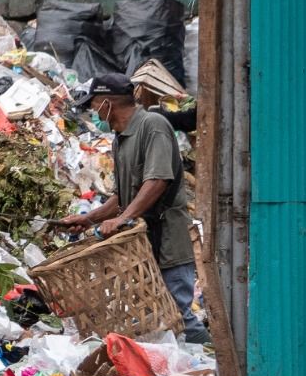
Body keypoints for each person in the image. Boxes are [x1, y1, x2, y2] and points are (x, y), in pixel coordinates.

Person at [62, 72, 209, 344]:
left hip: (168, 241)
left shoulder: (152, 126)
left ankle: (217, 365)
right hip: (144, 246)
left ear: (107, 103)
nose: (93, 112)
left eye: (94, 105)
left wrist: (122, 220)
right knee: (157, 319)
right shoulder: (121, 138)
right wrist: (90, 219)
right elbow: (122, 196)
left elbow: (158, 180)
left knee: (178, 317)